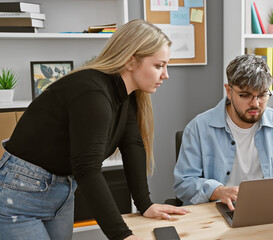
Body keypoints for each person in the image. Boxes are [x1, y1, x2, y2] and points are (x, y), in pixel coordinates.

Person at [0, 19, 188, 240]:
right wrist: (122, 236)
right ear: (130, 61)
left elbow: (132, 144)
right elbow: (88, 169)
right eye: (159, 65)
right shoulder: (93, 94)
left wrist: (144, 204)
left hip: (61, 190)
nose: (166, 74)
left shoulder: (124, 93)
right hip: (21, 193)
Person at [173, 54, 273, 210]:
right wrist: (219, 191)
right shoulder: (198, 127)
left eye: (262, 95)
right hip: (216, 211)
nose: (255, 103)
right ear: (229, 91)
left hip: (267, 209)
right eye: (245, 95)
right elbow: (184, 183)